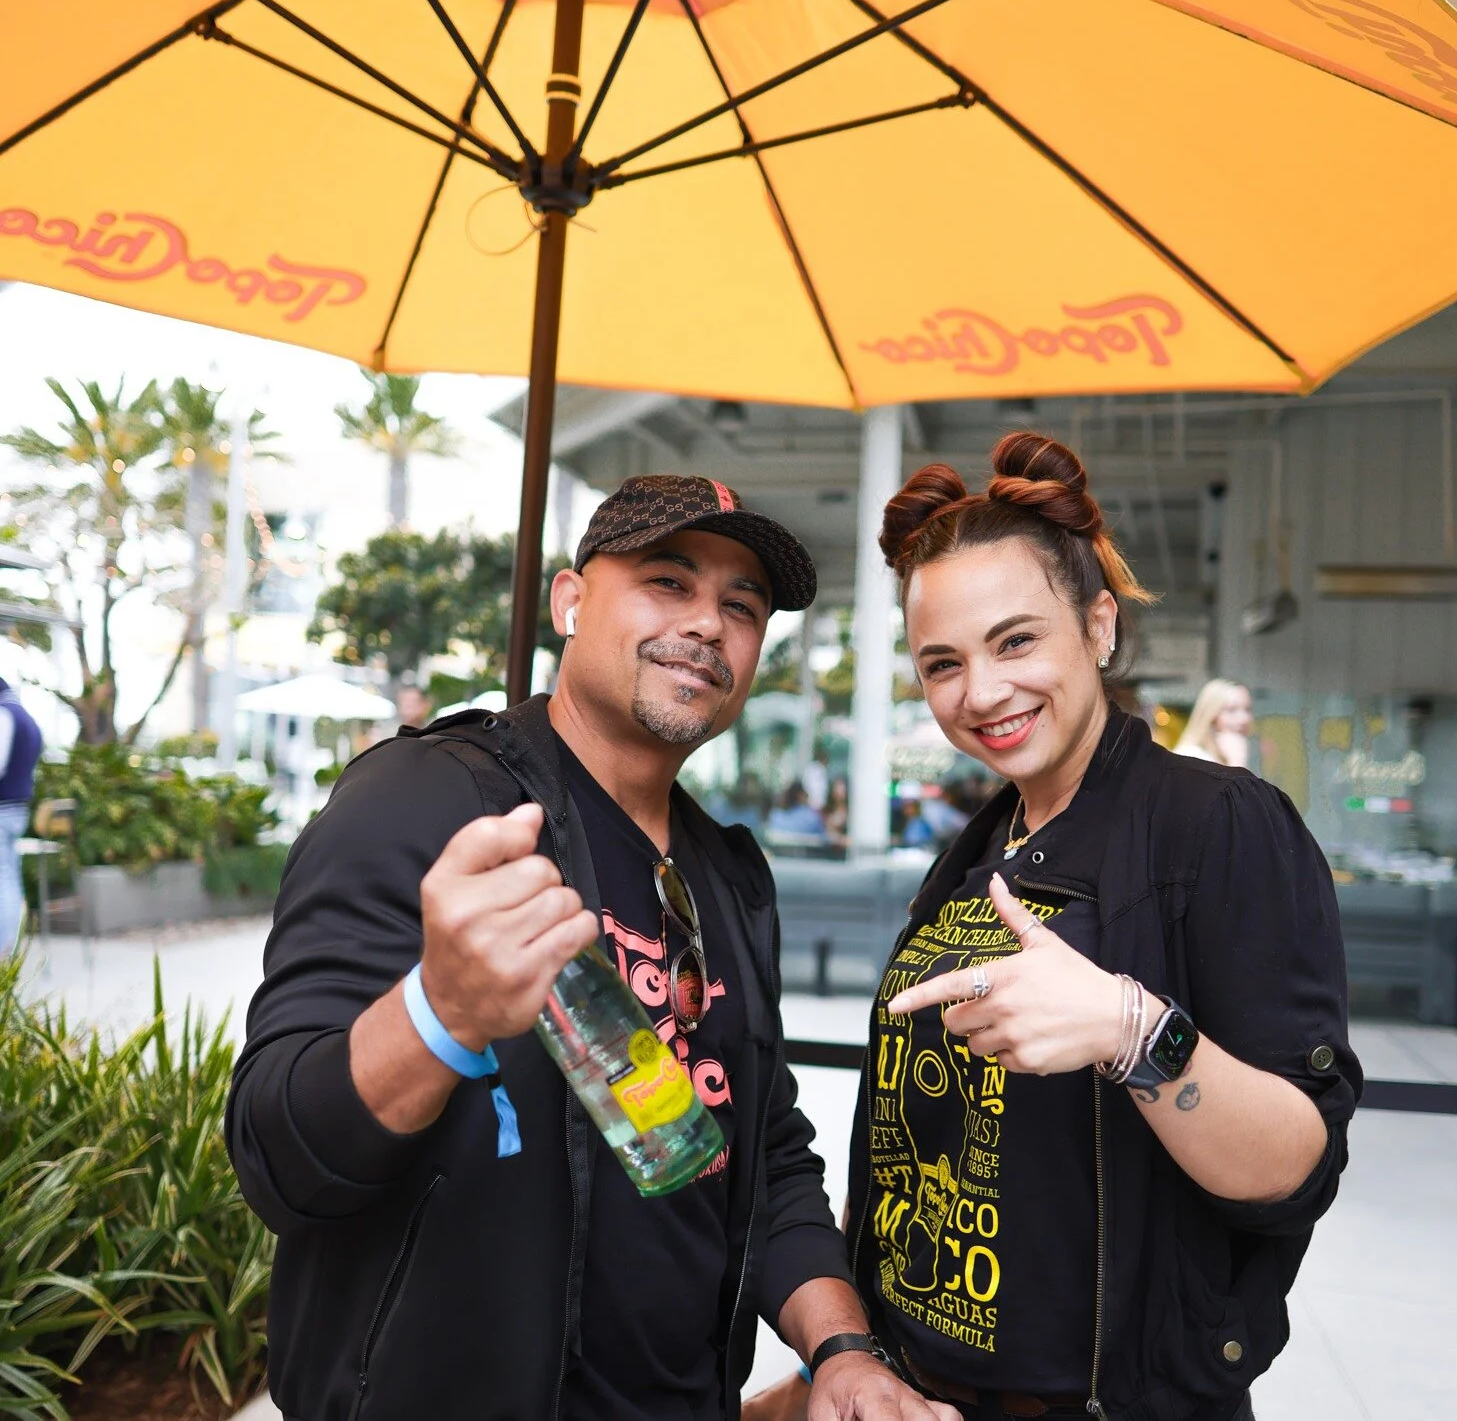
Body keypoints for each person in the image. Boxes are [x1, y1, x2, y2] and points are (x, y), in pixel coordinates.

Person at [226, 474, 955, 1421]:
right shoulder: (430, 802)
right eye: (667, 581)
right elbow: (278, 1157)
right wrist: (439, 1014)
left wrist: (843, 1354)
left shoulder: (727, 874)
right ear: (570, 601)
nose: (707, 623)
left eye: (742, 606)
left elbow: (767, 1156)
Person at [836, 432, 1359, 1421]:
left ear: (1099, 625)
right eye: (942, 663)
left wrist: (1130, 1030)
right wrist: (851, 1352)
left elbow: (1295, 1164)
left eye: (1015, 641)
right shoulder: (978, 850)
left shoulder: (1215, 824)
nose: (980, 693)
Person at [0, 676, 43, 954]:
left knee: (3, 880)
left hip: (3, 808)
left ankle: (4, 950)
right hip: (17, 809)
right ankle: (8, 949)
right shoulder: (27, 718)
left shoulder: (5, 715)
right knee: (8, 878)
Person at [1176, 678, 1255, 769]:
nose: (1244, 719)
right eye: (1231, 710)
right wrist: (1237, 764)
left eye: (1247, 709)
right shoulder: (1190, 756)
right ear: (1211, 715)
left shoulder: (1230, 753)